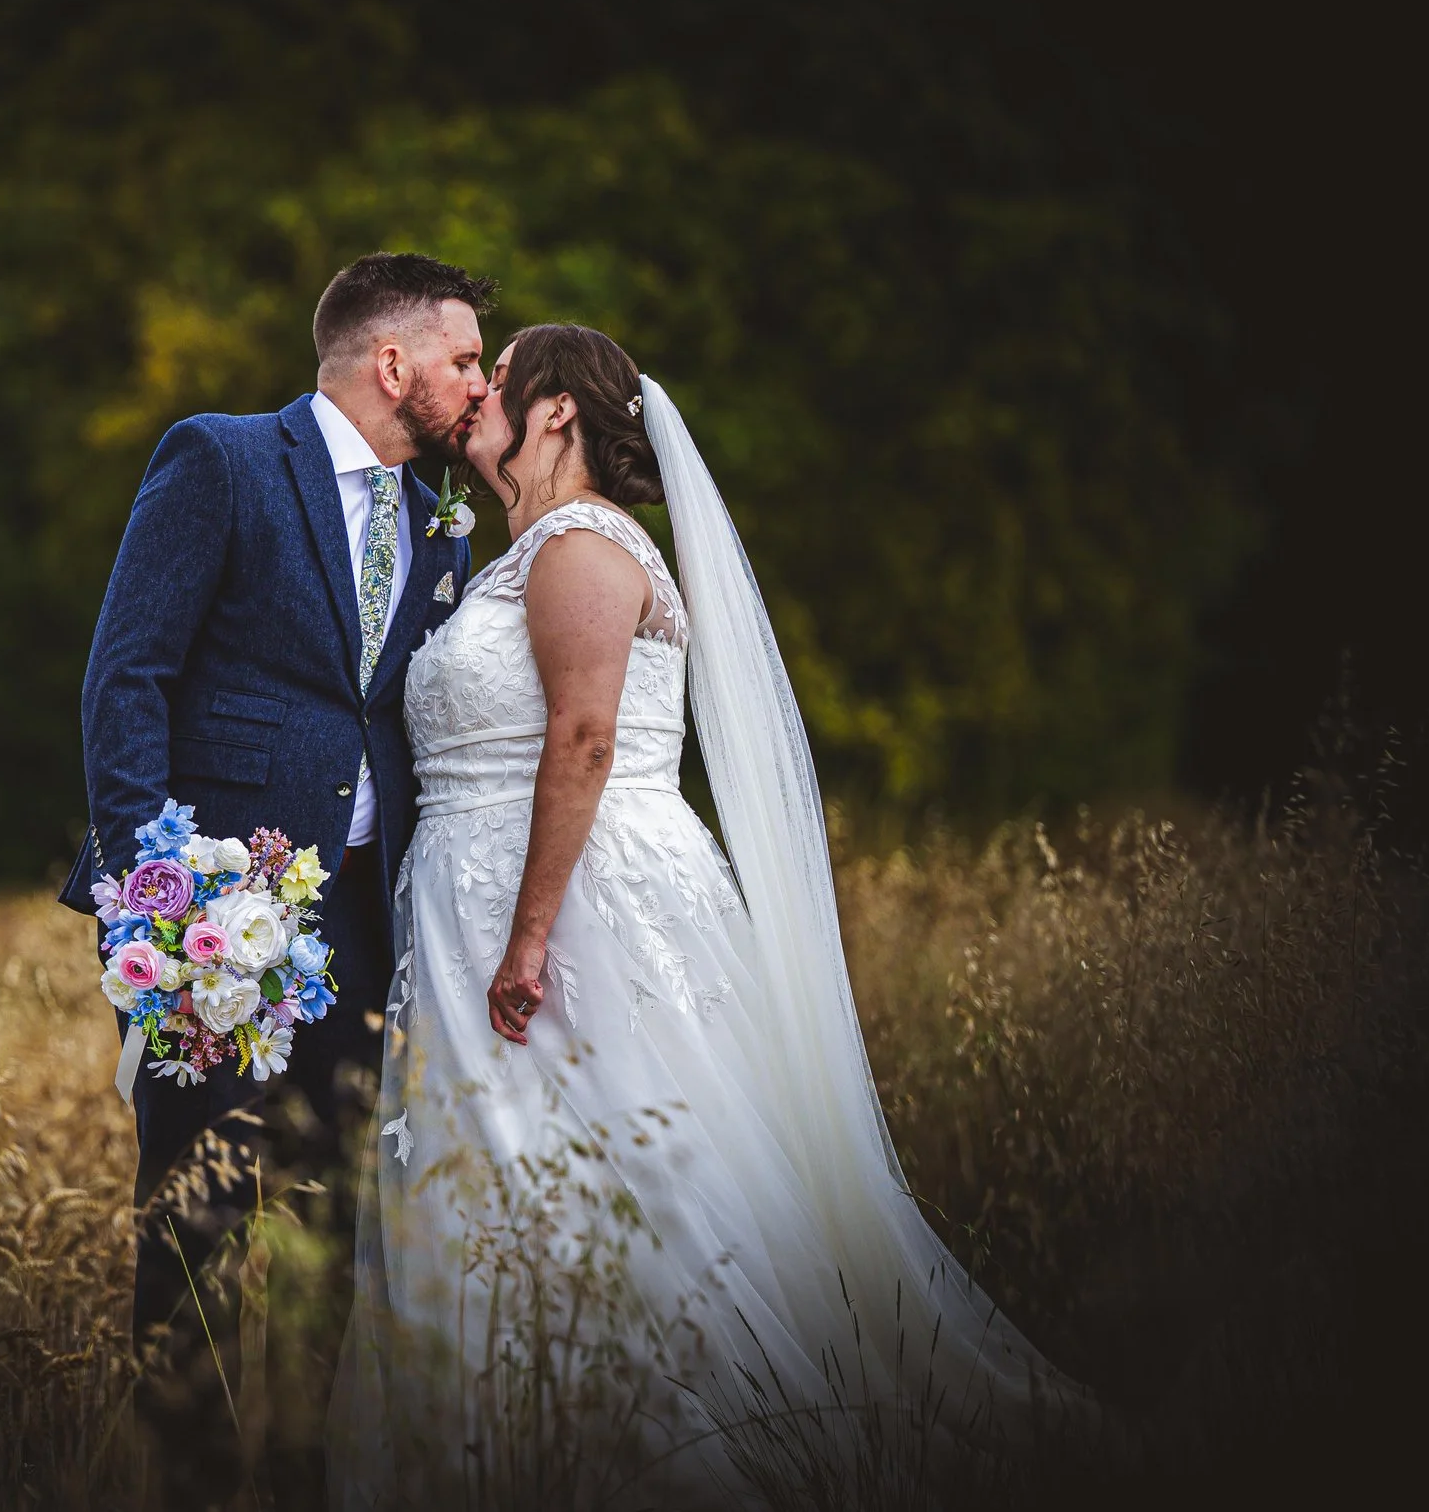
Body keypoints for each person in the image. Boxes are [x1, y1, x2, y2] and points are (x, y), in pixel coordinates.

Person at [328, 325, 1079, 1509]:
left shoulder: (579, 545)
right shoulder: (520, 551)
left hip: (569, 914)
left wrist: (527, 939)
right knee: (516, 1185)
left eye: (496, 371)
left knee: (613, 1180)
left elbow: (582, 739)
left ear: (558, 410)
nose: (472, 391)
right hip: (480, 902)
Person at [64, 252, 492, 1456]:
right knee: (196, 1224)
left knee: (331, 1230)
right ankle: (187, 1479)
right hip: (213, 918)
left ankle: (309, 1472)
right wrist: (151, 896)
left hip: (364, 931)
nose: (477, 385)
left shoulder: (440, 520)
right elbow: (126, 675)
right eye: (462, 360)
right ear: (390, 361)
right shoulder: (224, 458)